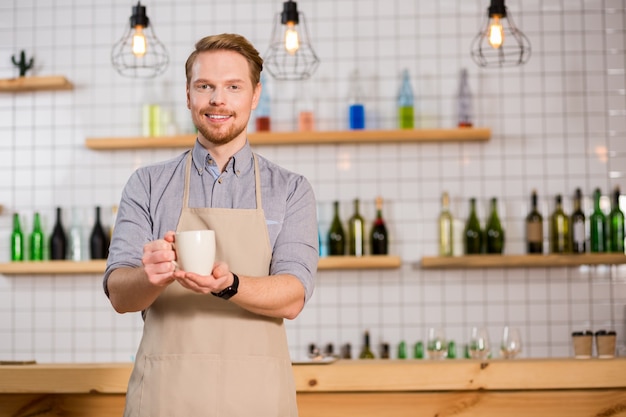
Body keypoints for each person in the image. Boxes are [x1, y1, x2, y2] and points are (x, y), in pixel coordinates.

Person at [104, 33, 319, 417]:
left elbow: (293, 296)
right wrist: (150, 276)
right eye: (205, 86)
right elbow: (120, 294)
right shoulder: (147, 184)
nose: (218, 99)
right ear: (188, 95)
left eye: (233, 87)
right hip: (164, 398)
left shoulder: (290, 190)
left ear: (254, 95)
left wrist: (230, 284)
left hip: (258, 400)